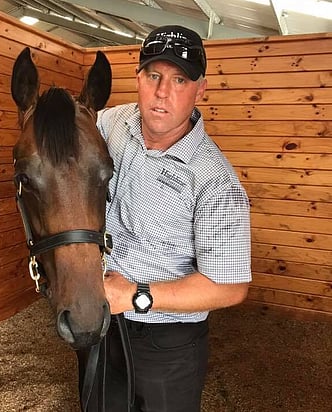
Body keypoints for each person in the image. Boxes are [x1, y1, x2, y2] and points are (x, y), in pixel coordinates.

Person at [95, 24, 252, 412]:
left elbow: (230, 288)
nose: (162, 92)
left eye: (179, 80)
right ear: (138, 78)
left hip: (167, 342)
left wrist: (136, 295)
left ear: (200, 90)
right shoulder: (113, 122)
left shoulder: (215, 181)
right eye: (154, 76)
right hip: (101, 319)